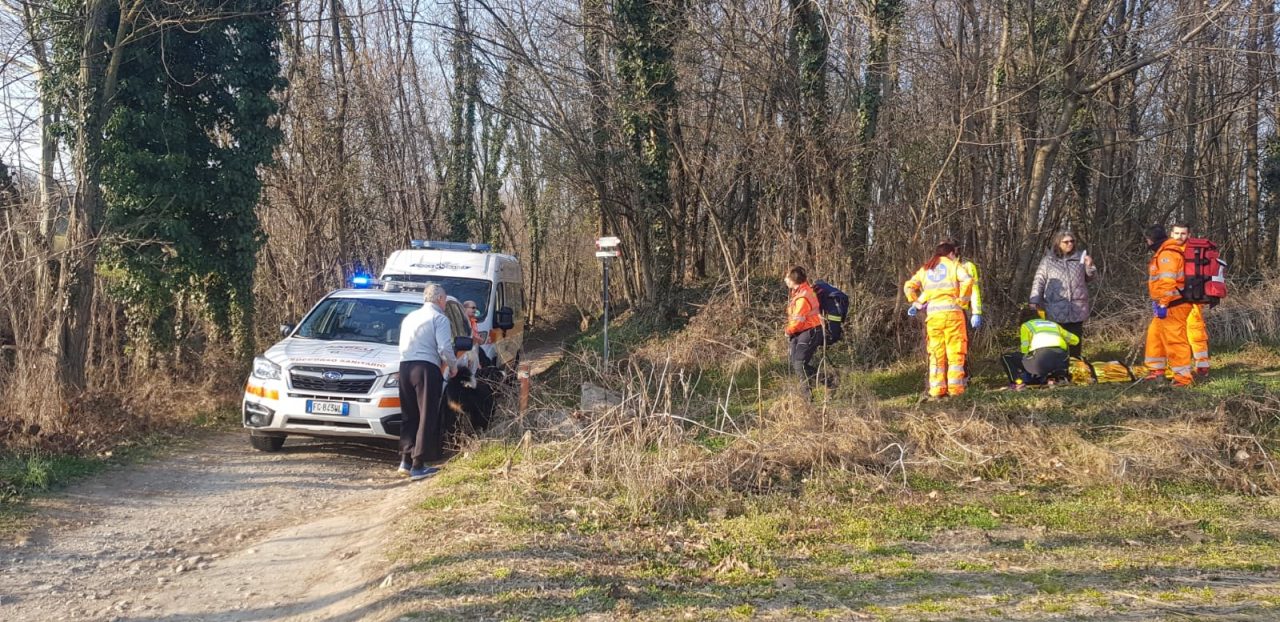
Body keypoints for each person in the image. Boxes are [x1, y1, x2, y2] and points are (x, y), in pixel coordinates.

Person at [397, 283, 457, 480]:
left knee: (409, 414)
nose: (445, 303)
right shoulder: (439, 318)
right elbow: (444, 348)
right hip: (425, 368)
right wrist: (453, 366)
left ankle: (405, 460)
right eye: (445, 300)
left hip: (405, 367)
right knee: (426, 415)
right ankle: (418, 464)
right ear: (440, 299)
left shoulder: (410, 317)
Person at [904, 242, 973, 398]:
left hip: (933, 317)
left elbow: (909, 286)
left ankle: (936, 390)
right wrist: (963, 301)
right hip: (953, 315)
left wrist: (915, 301)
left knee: (936, 353)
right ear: (950, 253)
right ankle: (956, 390)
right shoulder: (954, 266)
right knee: (955, 352)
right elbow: (968, 280)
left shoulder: (926, 269)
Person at [1029, 231, 1096, 358]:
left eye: (1072, 241)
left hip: (1077, 307)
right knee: (1056, 342)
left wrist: (1090, 266)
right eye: (1066, 242)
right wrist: (1034, 299)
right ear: (1058, 243)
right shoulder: (1048, 261)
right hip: (1055, 307)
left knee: (1075, 341)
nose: (1070, 244)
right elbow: (1039, 281)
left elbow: (1090, 278)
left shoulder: (1080, 258)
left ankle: (1075, 367)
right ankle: (1058, 369)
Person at [1142, 225, 1193, 387]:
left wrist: (1163, 304)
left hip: (1174, 304)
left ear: (1150, 240)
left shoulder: (1167, 254)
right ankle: (1156, 369)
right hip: (1167, 302)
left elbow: (1168, 282)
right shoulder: (1165, 251)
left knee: (1175, 340)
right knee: (1154, 335)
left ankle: (1183, 378)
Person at [1169, 223, 1210, 378]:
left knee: (1195, 330)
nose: (1180, 236)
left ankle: (1202, 365)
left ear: (1189, 235)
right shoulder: (1167, 251)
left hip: (1193, 298)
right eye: (1177, 233)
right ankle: (1177, 364)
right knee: (1174, 333)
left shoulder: (1195, 251)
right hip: (1174, 298)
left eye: (1183, 233)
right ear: (1171, 234)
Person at [1003, 307, 1079, 388]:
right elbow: (1075, 340)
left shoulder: (1026, 325)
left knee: (1006, 357)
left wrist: (1026, 358)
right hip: (1061, 362)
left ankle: (1017, 383)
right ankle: (1054, 378)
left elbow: (1025, 347)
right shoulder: (1053, 325)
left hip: (1041, 361)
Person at [783, 266, 823, 392]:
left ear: (793, 280)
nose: (785, 279)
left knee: (799, 364)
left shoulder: (803, 296)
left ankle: (807, 398)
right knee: (796, 363)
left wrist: (788, 331)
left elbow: (797, 321)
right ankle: (829, 380)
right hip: (800, 332)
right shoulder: (799, 293)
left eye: (787, 277)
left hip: (810, 330)